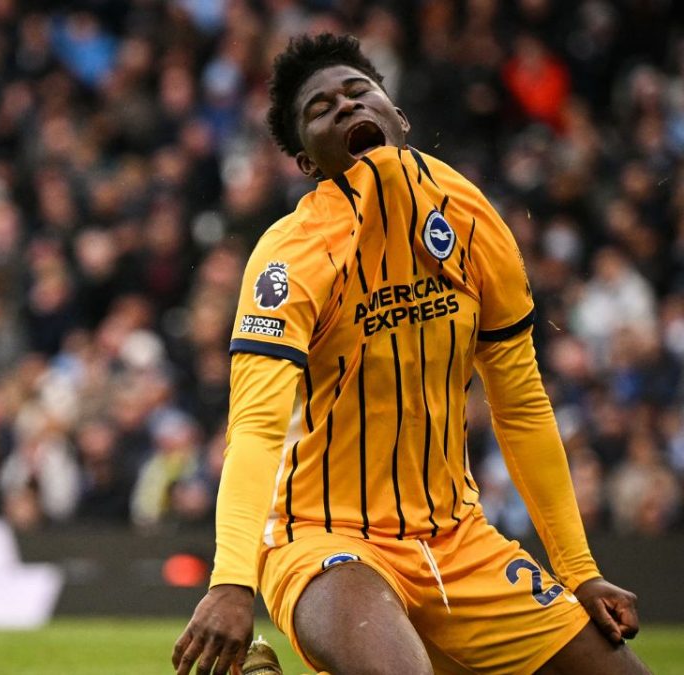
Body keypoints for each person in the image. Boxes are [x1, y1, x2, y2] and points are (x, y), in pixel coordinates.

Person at [173, 34, 649, 675]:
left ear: (398, 117)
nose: (343, 107)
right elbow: (255, 428)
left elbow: (523, 407)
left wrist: (579, 572)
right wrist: (232, 579)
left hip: (460, 538)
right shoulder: (290, 256)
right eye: (319, 110)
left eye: (357, 92)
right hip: (324, 536)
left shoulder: (474, 219)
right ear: (310, 165)